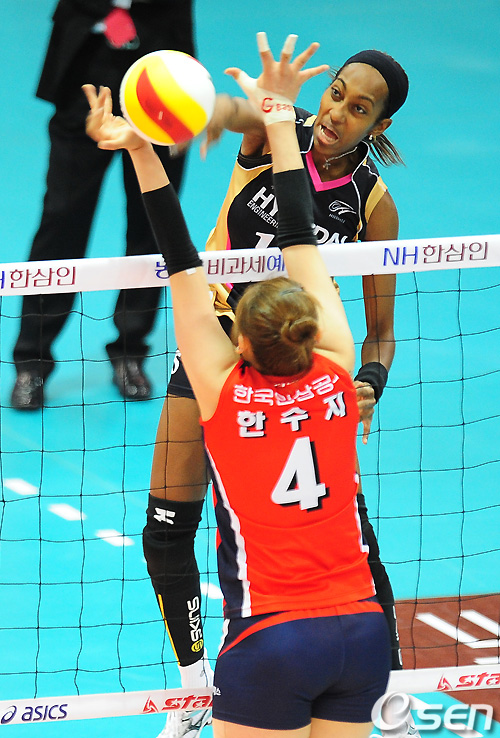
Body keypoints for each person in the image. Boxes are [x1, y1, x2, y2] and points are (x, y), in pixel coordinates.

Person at [84, 31, 392, 738]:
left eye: (359, 107)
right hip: (275, 362)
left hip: (262, 365)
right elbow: (238, 126)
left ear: (381, 124)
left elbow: (186, 262)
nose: (338, 111)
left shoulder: (373, 205)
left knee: (352, 535)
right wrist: (226, 113)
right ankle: (195, 684)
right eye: (335, 94)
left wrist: (141, 147)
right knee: (168, 531)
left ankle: (385, 687)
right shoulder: (331, 357)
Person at [11, 0, 195, 410]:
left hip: (159, 82)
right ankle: (31, 361)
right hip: (84, 72)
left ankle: (130, 351)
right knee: (61, 220)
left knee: (153, 223)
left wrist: (188, 101)